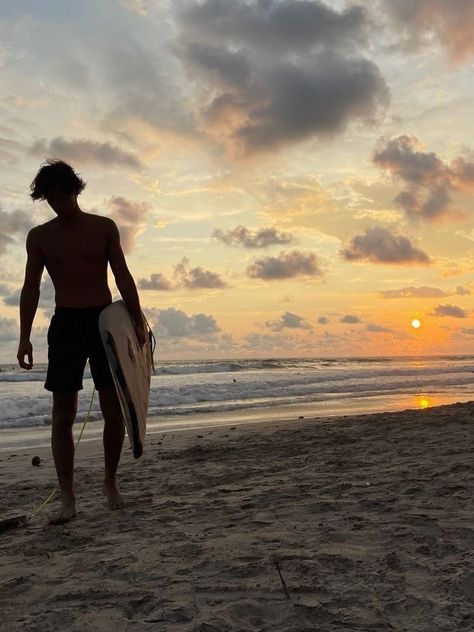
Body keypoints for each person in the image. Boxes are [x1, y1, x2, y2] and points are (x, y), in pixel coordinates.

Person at [17, 160, 147, 524]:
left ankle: (110, 483)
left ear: (75, 190)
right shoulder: (40, 237)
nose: (56, 204)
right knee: (63, 413)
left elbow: (122, 274)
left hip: (104, 323)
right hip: (66, 324)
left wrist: (136, 322)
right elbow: (30, 287)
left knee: (113, 408)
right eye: (49, 199)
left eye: (61, 196)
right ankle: (68, 497)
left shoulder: (103, 228)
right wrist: (24, 336)